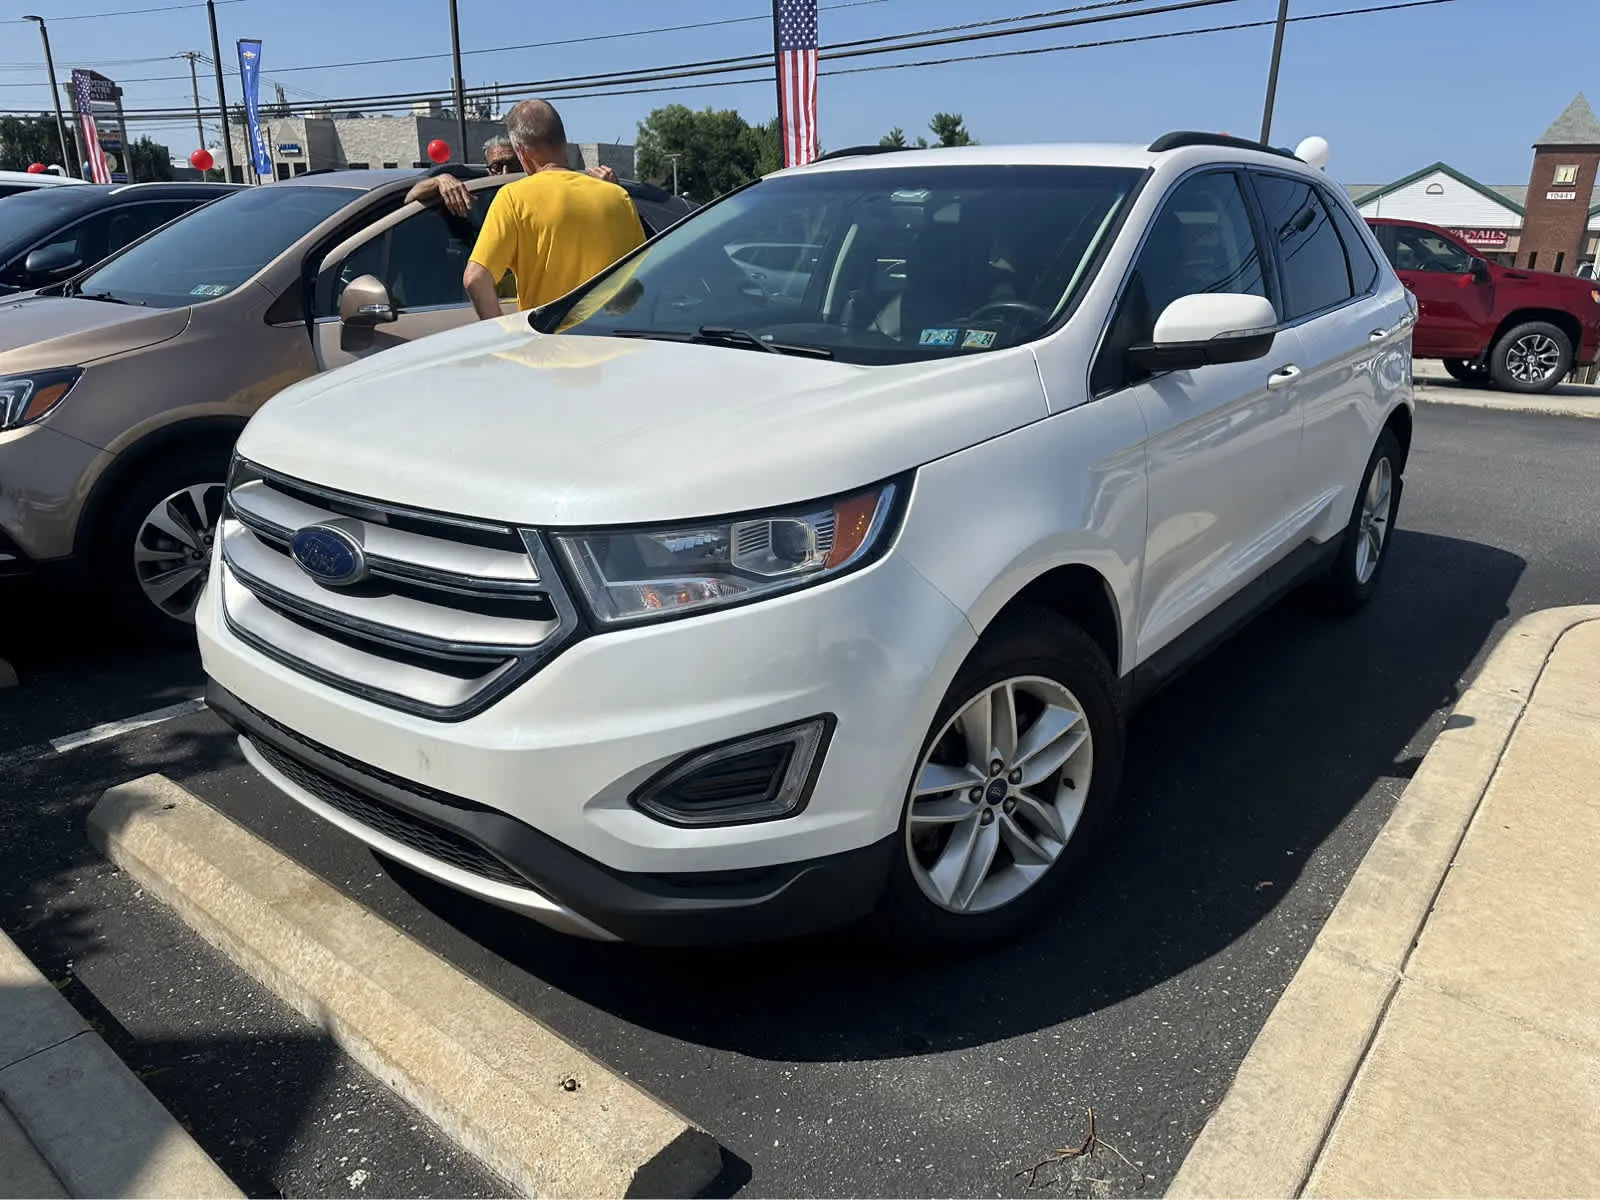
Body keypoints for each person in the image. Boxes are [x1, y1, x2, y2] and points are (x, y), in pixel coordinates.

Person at [462, 99, 645, 320]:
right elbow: (639, 284)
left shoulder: (513, 198)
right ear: (563, 142)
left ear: (520, 151)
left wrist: (504, 339)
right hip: (609, 344)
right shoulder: (617, 196)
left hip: (546, 347)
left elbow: (475, 279)